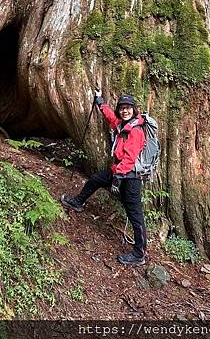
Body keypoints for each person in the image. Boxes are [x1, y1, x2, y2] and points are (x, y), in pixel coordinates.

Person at [60, 91, 148, 266]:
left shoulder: (136, 131)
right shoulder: (122, 126)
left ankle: (139, 253)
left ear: (134, 110)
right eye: (122, 108)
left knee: (135, 214)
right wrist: (100, 102)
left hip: (130, 178)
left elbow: (130, 158)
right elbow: (110, 118)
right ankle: (77, 202)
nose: (125, 111)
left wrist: (118, 178)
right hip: (117, 171)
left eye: (128, 108)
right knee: (95, 179)